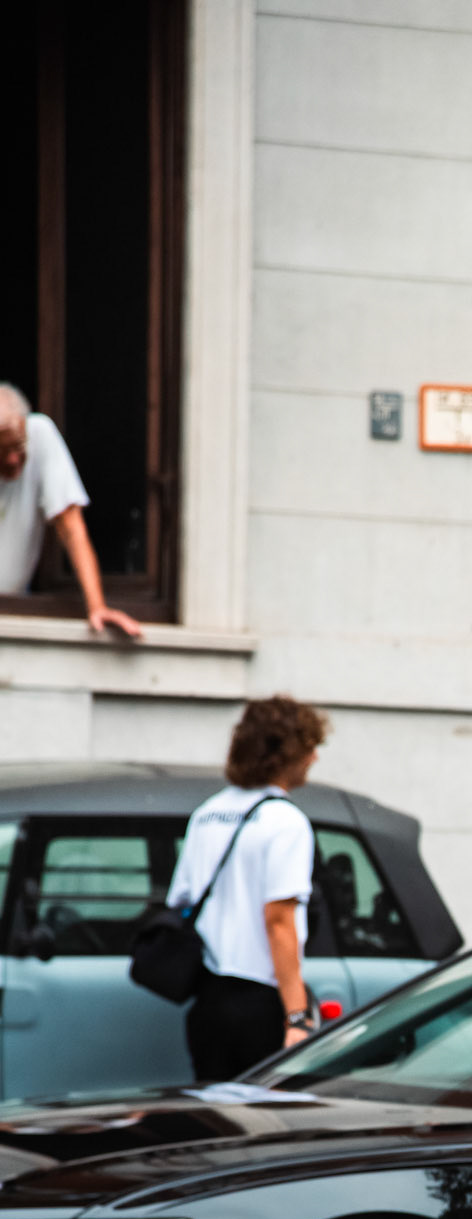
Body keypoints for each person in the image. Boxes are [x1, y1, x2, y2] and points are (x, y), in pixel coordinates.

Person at [167, 696, 330, 1083]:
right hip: (260, 1000)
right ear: (287, 754)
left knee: (215, 1108)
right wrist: (297, 1016)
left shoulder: (207, 813)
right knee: (265, 1111)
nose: (314, 758)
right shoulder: (285, 821)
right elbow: (279, 921)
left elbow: (181, 900)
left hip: (208, 996)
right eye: (309, 747)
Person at [0, 384, 142, 638]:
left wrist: (97, 606)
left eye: (18, 447)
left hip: (14, 611)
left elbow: (70, 525)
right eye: (1, 450)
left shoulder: (39, 433)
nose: (12, 459)